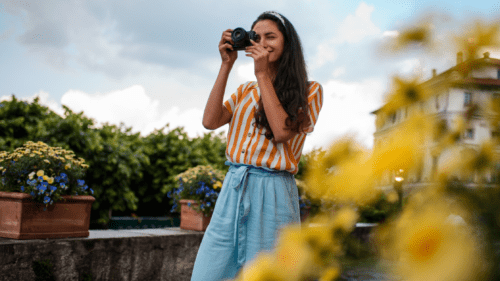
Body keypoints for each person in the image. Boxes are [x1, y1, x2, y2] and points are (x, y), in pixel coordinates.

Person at [191, 11, 323, 281]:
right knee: (209, 272)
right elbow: (209, 121)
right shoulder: (244, 91)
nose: (262, 43)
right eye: (256, 37)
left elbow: (281, 132)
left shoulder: (309, 90)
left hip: (273, 192)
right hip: (234, 188)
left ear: (287, 44)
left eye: (270, 37)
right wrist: (226, 65)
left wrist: (263, 75)